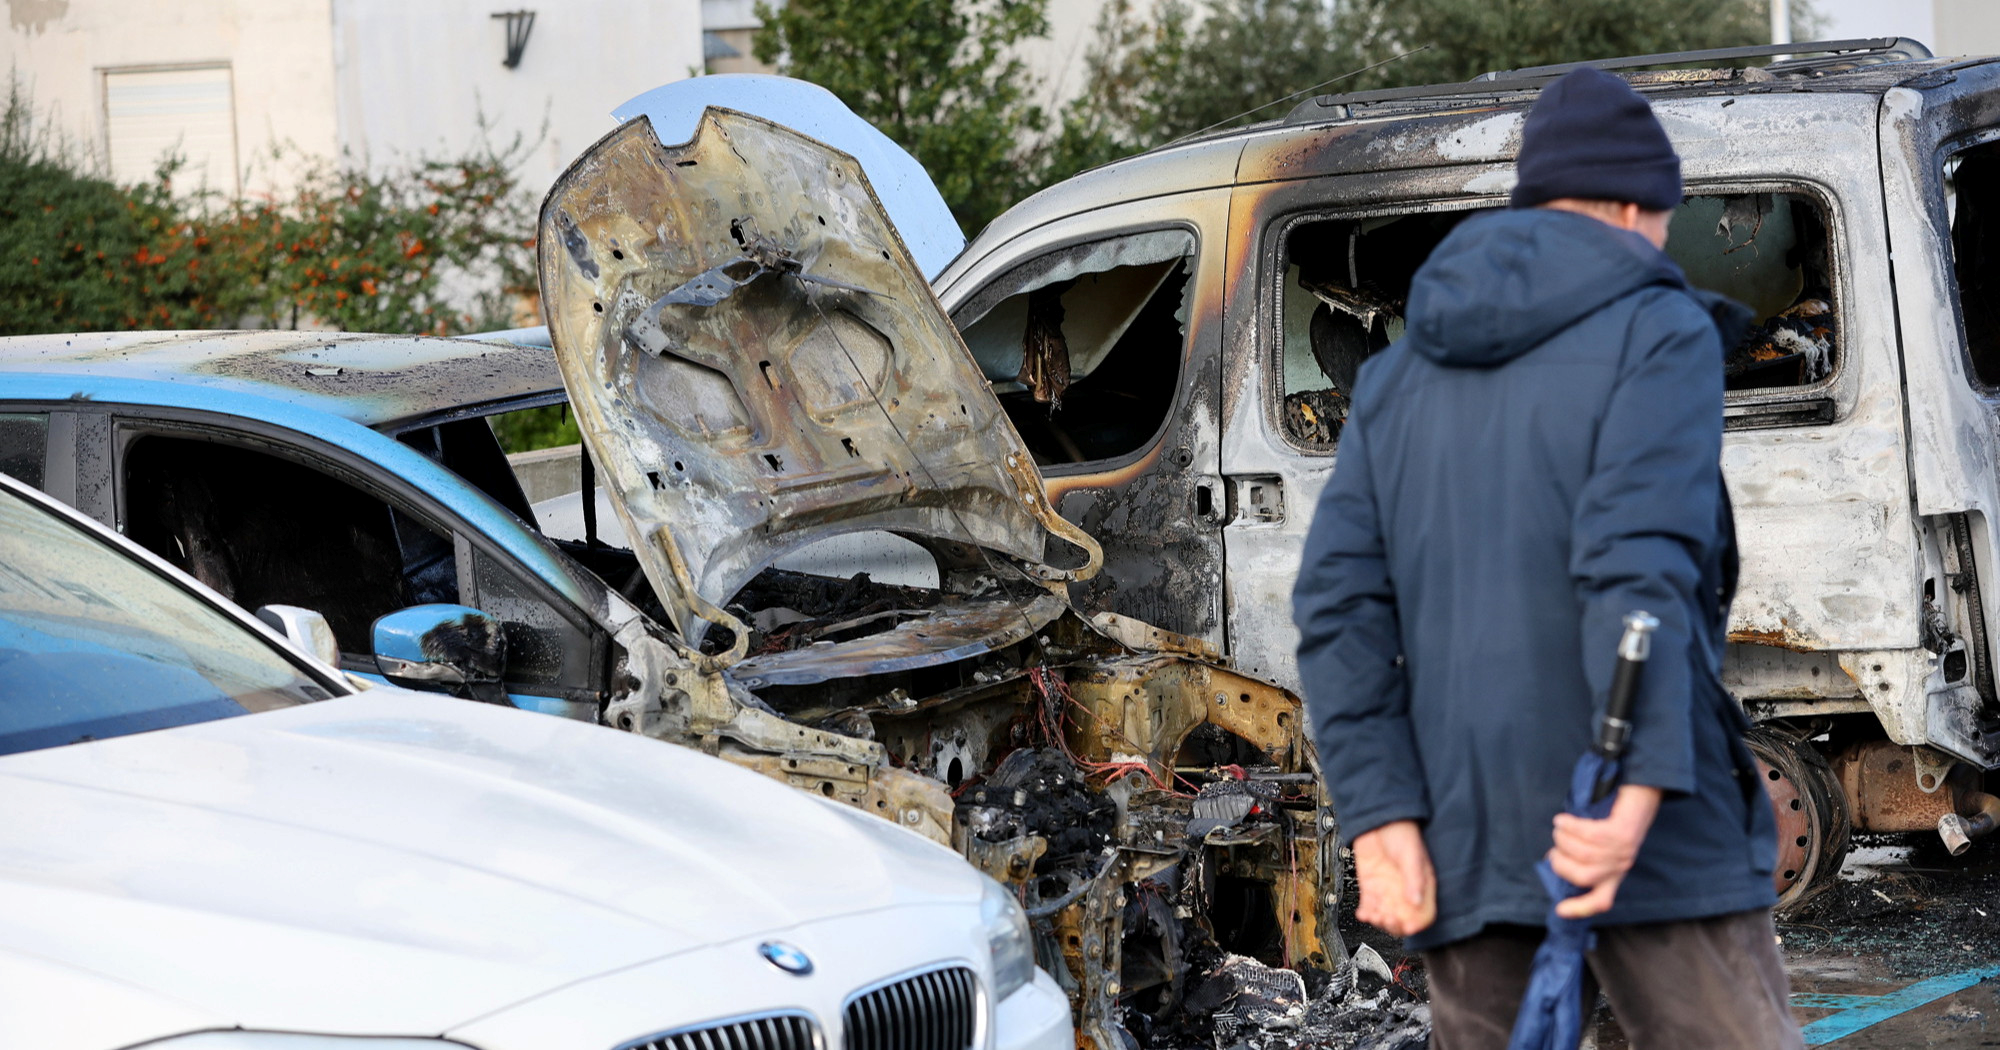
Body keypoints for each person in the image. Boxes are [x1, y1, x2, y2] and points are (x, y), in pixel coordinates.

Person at [1290, 67, 1799, 1049]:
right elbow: (1637, 570)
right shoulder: (1656, 334)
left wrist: (1381, 816)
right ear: (1627, 205)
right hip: (1636, 831)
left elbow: (1337, 607)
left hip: (1465, 833)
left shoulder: (1395, 379)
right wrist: (1632, 794)